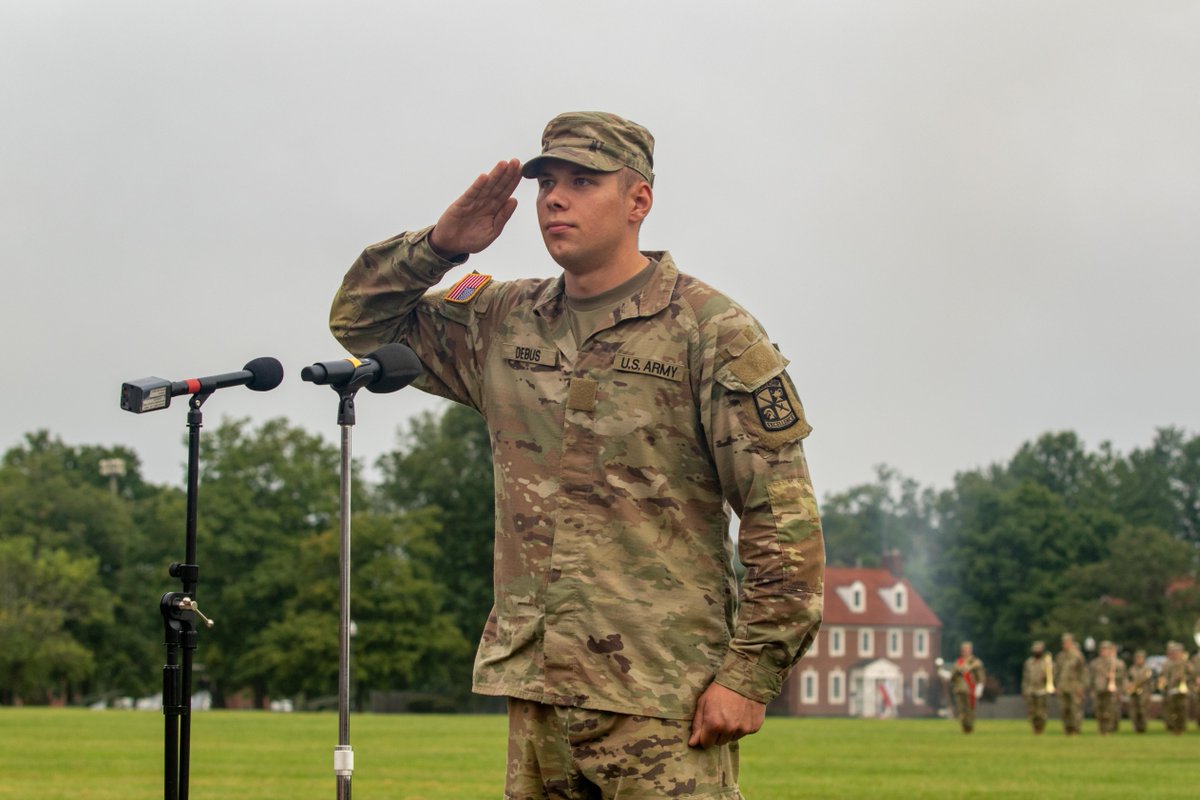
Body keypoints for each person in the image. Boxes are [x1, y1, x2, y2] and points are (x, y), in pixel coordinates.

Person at [328, 111, 825, 798]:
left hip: (661, 700)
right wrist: (441, 246)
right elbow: (360, 323)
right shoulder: (502, 320)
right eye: (546, 182)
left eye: (582, 181)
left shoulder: (711, 333)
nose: (554, 198)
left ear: (638, 200)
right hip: (538, 692)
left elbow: (785, 525)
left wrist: (749, 676)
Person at [1088, 640, 1125, 735]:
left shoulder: (1117, 663)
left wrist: (1118, 688)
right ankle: (1101, 729)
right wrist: (1091, 689)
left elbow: (1122, 677)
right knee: (1098, 710)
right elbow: (1091, 677)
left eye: (1106, 649)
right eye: (1102, 649)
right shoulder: (1095, 663)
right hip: (1098, 689)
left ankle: (1108, 729)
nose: (1104, 651)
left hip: (1110, 690)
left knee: (1109, 710)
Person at [1054, 633, 1087, 735]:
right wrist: (1056, 685)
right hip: (1062, 686)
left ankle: (1075, 729)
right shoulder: (1060, 656)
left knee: (1075, 709)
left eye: (1067, 642)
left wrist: (1081, 686)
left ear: (1071, 643)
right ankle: (1067, 729)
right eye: (1064, 642)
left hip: (1074, 686)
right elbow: (1056, 672)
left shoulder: (1078, 656)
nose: (1065, 644)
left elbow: (1083, 672)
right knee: (1064, 709)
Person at [1158, 641, 1193, 735]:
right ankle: (1173, 727)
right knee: (1171, 710)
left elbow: (1192, 675)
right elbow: (1162, 676)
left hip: (1182, 691)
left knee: (1182, 709)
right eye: (1175, 652)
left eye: (1178, 652)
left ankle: (1182, 727)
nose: (1176, 654)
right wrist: (1163, 682)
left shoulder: (1186, 663)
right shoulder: (1167, 664)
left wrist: (1186, 679)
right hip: (1171, 690)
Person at [949, 641, 985, 734]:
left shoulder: (975, 663)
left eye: (967, 649)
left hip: (970, 689)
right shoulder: (958, 663)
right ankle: (964, 728)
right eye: (963, 649)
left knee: (969, 710)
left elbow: (980, 676)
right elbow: (952, 677)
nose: (965, 651)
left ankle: (969, 728)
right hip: (959, 689)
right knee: (961, 710)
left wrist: (979, 688)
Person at [1020, 641, 1054, 734]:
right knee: (1032, 712)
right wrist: (1024, 690)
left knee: (1040, 712)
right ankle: (1034, 729)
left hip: (1042, 690)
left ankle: (1040, 729)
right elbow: (1025, 678)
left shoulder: (1047, 662)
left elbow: (1051, 677)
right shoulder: (1029, 662)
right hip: (1030, 690)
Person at [1123, 649, 1153, 734]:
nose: (1138, 660)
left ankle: (1142, 727)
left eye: (1140, 658)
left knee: (1143, 710)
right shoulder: (1131, 669)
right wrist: (1128, 686)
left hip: (1144, 692)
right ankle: (1135, 727)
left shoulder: (1147, 669)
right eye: (1137, 658)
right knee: (1133, 710)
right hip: (1133, 692)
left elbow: (1150, 682)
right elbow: (1127, 679)